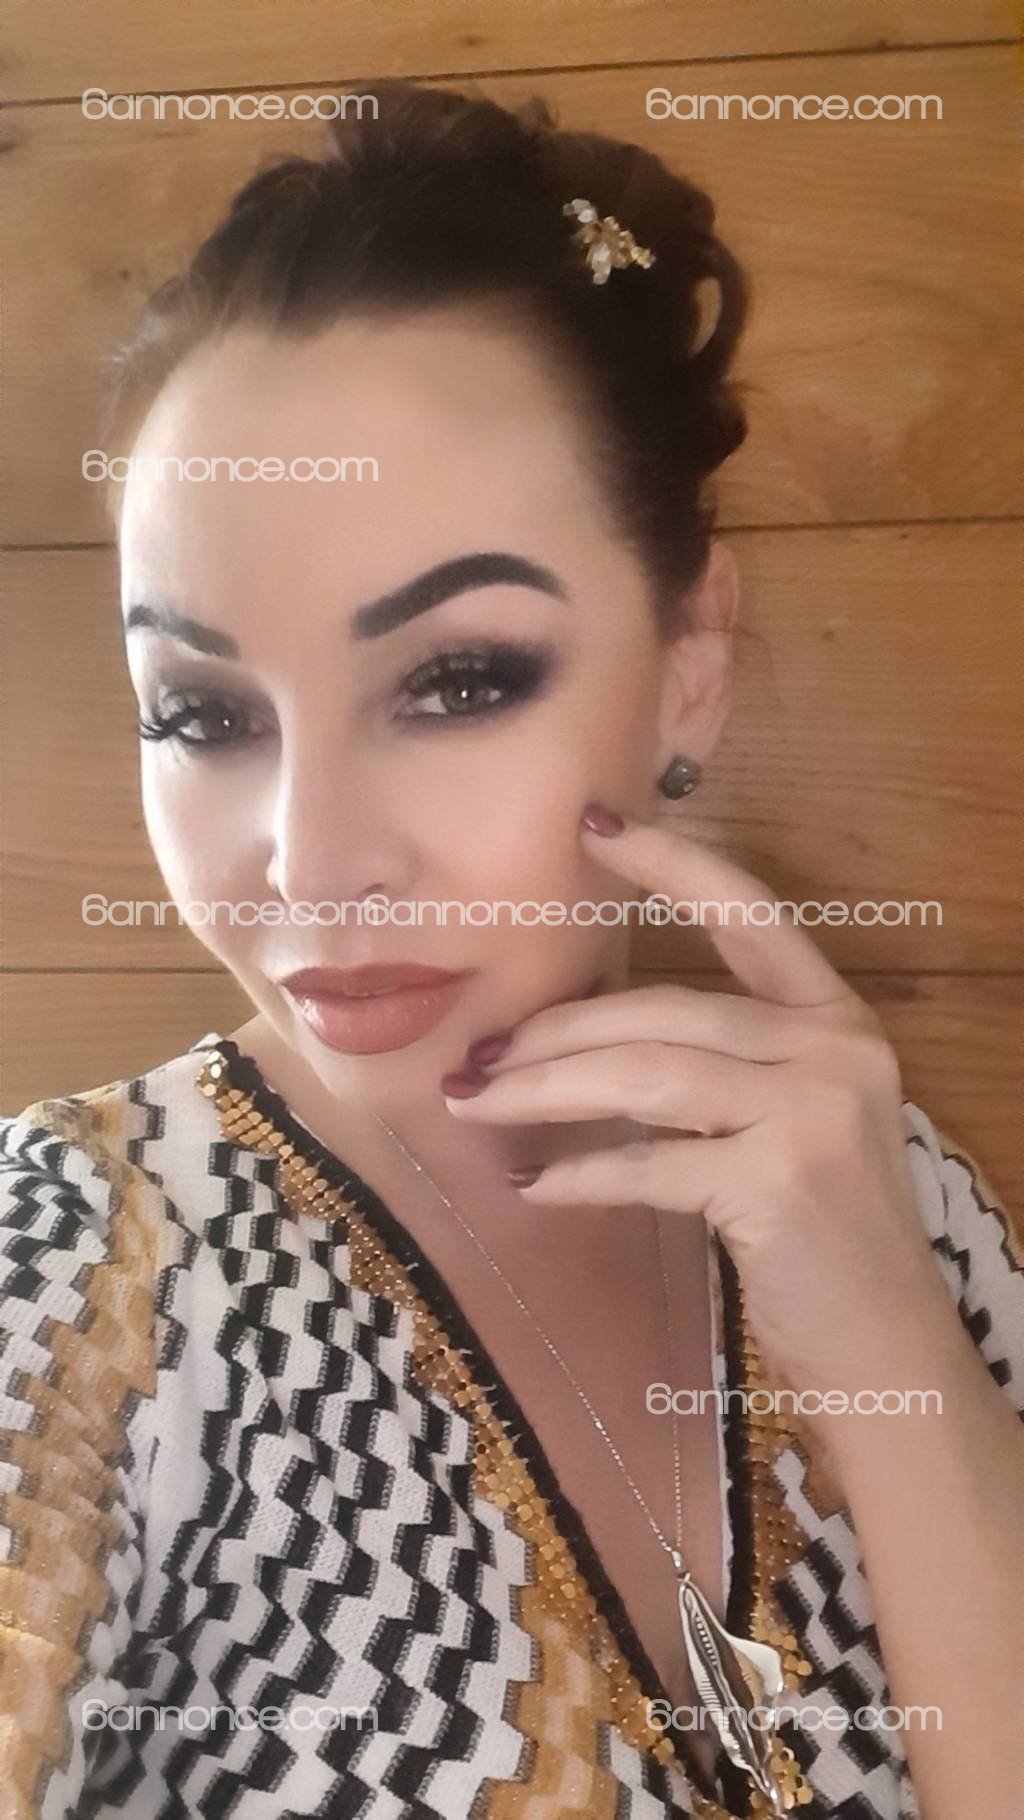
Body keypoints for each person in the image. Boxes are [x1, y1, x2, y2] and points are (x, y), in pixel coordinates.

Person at [1, 80, 1021, 1820]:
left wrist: (889, 1334)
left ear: (688, 669)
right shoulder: (76, 1268)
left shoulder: (894, 1192)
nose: (314, 862)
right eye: (201, 712)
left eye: (458, 680)